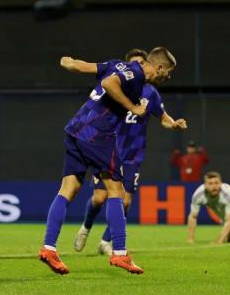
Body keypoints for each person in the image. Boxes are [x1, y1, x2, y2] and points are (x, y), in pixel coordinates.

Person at [38, 47, 176, 275]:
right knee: (117, 191)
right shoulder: (136, 75)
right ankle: (119, 254)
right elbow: (109, 84)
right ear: (159, 67)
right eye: (169, 72)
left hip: (76, 129)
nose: (168, 76)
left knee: (68, 189)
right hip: (98, 134)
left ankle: (48, 248)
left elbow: (82, 66)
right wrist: (133, 107)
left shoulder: (117, 64)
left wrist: (69, 62)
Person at [73, 49, 187, 256]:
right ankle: (86, 227)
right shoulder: (121, 84)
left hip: (133, 153)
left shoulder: (150, 93)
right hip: (110, 147)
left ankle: (107, 241)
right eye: (134, 63)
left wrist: (174, 124)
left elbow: (162, 116)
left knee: (125, 201)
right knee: (99, 198)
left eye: (141, 62)